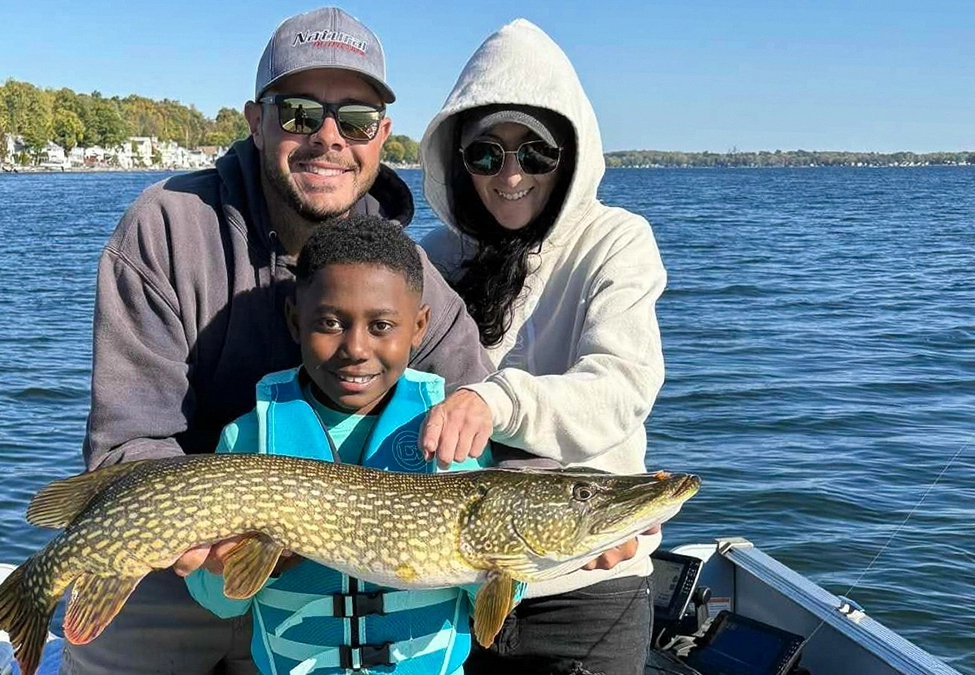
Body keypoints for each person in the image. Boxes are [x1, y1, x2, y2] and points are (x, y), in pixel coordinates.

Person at [64, 7, 492, 675]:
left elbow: (480, 406)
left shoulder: (402, 273)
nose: (328, 138)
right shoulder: (165, 230)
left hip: (335, 566)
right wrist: (205, 536)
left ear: (381, 137)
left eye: (353, 121)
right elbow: (127, 443)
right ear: (255, 121)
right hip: (182, 558)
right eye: (298, 113)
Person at [417, 19, 668, 675]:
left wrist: (494, 400)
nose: (510, 176)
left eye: (535, 152)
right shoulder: (433, 260)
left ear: (571, 154)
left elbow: (620, 386)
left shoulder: (617, 241)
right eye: (484, 154)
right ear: (455, 159)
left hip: (586, 585)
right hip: (456, 582)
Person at [186, 216, 503, 675]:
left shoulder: (453, 436)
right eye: (331, 322)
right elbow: (220, 603)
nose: (355, 348)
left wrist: (499, 567)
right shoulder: (248, 439)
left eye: (381, 326)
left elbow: (498, 597)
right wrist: (224, 567)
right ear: (296, 321)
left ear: (419, 327)